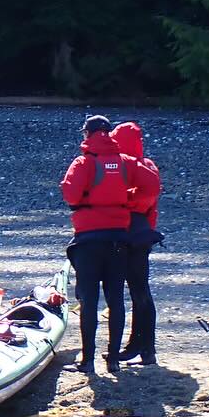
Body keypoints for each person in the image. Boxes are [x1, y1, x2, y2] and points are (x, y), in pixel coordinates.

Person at [59, 115, 157, 373]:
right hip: (118, 238)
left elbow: (70, 193)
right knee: (116, 300)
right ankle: (113, 360)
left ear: (87, 134)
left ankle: (87, 361)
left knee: (89, 300)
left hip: (89, 239)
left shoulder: (83, 162)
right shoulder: (126, 163)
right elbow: (151, 185)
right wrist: (130, 202)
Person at [110, 122, 163, 365]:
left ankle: (140, 347)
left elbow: (144, 198)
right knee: (140, 292)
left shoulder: (122, 167)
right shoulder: (147, 166)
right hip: (144, 234)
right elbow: (148, 200)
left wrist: (123, 203)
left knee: (133, 293)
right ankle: (143, 348)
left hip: (128, 234)